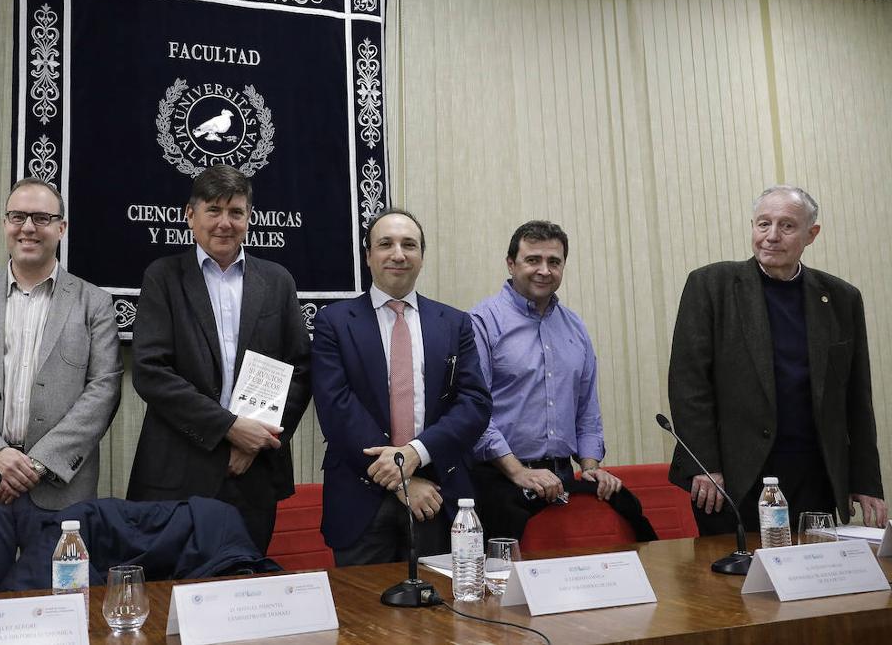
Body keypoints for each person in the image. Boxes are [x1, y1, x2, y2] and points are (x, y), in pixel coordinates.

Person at [0, 177, 122, 591]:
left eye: (42, 217)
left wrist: (37, 463)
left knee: (59, 607)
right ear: (5, 223)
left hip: (58, 488)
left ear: (62, 228)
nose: (28, 227)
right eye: (18, 216)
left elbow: (104, 390)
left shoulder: (94, 303)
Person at [668, 185, 887, 534]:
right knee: (731, 582)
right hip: (731, 476)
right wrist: (704, 464)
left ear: (810, 234)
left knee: (812, 577)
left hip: (814, 472)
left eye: (786, 226)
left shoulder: (842, 298)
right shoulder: (711, 286)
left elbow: (856, 398)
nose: (771, 236)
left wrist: (865, 480)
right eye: (763, 224)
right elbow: (688, 383)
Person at [127, 165, 311, 553]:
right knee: (171, 596)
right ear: (190, 215)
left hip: (254, 472)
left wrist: (253, 442)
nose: (225, 223)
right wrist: (228, 429)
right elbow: (150, 371)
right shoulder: (163, 276)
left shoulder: (278, 281)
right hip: (177, 471)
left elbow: (299, 370)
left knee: (244, 593)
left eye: (236, 212)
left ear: (249, 218)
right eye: (213, 210)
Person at [311, 208, 491, 565]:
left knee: (443, 616)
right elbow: (336, 407)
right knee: (360, 616)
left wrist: (415, 453)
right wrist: (400, 479)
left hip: (439, 495)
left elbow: (474, 404)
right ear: (368, 256)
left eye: (409, 244)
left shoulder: (455, 323)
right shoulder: (334, 322)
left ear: (422, 257)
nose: (398, 253)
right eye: (385, 244)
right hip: (361, 500)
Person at [468, 221, 654, 541]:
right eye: (533, 260)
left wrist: (591, 466)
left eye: (554, 262)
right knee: (505, 583)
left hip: (562, 476)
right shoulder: (481, 322)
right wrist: (518, 471)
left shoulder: (574, 327)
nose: (544, 270)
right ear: (511, 264)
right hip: (500, 479)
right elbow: (474, 411)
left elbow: (586, 409)